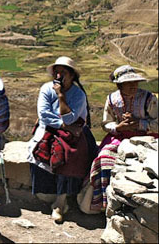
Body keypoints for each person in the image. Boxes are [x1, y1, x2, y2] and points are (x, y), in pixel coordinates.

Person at [79, 65, 158, 213]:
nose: (133, 86)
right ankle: (105, 203)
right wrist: (119, 127)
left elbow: (157, 124)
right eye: (128, 83)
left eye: (135, 82)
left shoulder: (149, 99)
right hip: (119, 137)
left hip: (146, 137)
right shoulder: (111, 99)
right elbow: (106, 123)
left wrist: (138, 124)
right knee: (103, 160)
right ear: (119, 85)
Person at [28, 56, 94, 223]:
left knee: (71, 154)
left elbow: (72, 119)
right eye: (56, 72)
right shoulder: (45, 89)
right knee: (40, 149)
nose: (58, 75)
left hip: (75, 133)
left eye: (63, 72)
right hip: (52, 129)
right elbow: (43, 115)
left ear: (72, 76)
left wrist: (61, 96)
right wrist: (63, 125)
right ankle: (50, 194)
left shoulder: (78, 95)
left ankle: (61, 202)